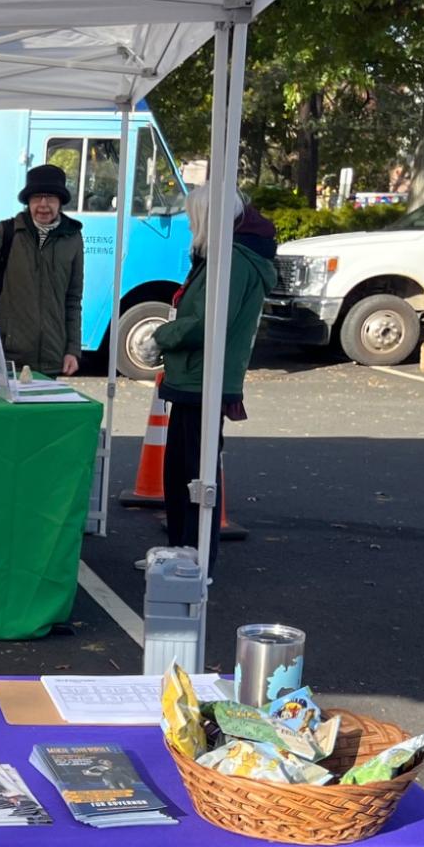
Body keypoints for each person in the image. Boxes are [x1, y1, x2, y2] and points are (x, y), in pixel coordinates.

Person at [150, 186, 277, 569]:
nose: (190, 225)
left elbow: (209, 322)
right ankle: (182, 550)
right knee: (181, 470)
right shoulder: (228, 257)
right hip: (195, 377)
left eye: (194, 218)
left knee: (195, 472)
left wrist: (162, 335)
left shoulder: (232, 261)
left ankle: (194, 555)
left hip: (203, 379)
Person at [0, 163, 85, 376]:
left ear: (60, 202)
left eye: (50, 198)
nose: (43, 205)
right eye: (37, 197)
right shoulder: (7, 232)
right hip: (7, 359)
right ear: (28, 201)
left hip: (51, 361)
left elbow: (73, 299)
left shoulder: (73, 238)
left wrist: (72, 350)